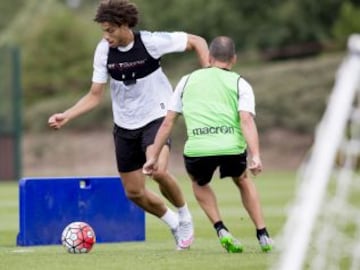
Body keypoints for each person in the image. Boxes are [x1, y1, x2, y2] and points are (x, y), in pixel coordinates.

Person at [48, 0, 209, 250]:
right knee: (134, 192)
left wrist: (209, 74)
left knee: (157, 169)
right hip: (124, 125)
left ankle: (185, 217)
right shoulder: (103, 51)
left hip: (157, 116)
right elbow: (94, 95)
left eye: (110, 30)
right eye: (103, 30)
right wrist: (67, 115)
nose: (106, 36)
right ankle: (174, 223)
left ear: (125, 26)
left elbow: (197, 40)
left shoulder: (151, 42)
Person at [143, 36, 273, 253]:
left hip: (199, 149)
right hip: (231, 147)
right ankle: (263, 235)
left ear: (210, 58)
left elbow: (167, 122)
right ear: (234, 59)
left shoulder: (186, 80)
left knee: (199, 183)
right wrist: (256, 155)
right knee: (241, 179)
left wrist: (153, 156)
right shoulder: (240, 82)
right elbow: (246, 120)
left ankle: (221, 228)